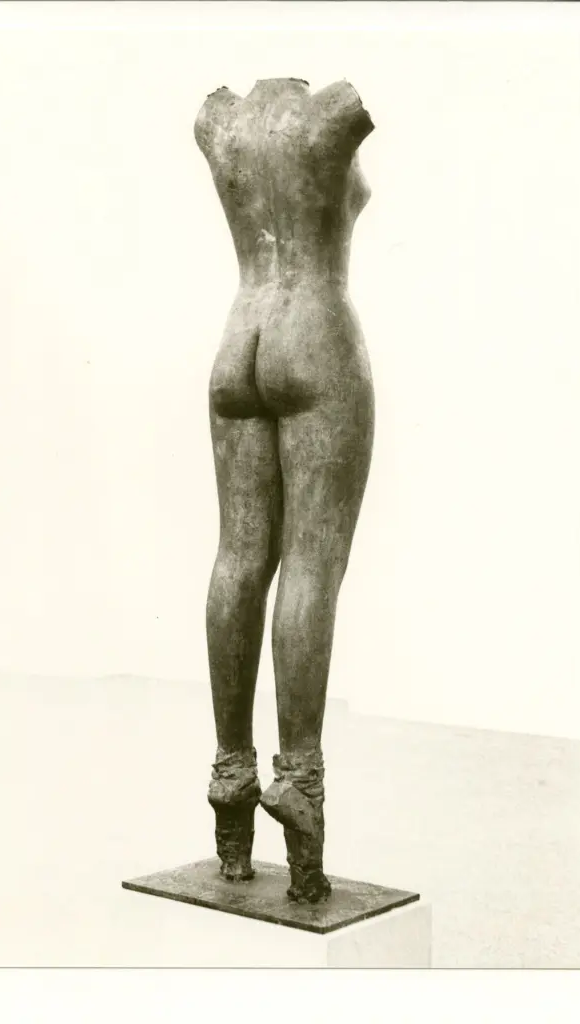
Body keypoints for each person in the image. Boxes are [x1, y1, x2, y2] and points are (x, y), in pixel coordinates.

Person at [195, 78, 375, 903]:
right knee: (309, 565)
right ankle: (297, 779)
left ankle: (230, 773)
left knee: (237, 557)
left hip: (239, 337)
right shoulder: (334, 111)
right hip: (316, 329)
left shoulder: (221, 122)